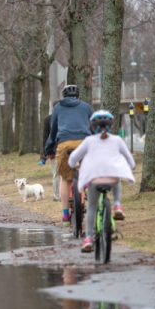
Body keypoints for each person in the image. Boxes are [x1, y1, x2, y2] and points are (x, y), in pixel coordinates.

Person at [68, 110, 135, 252]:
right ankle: (117, 205)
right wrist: (129, 168)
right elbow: (130, 160)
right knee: (116, 178)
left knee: (92, 207)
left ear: (92, 126)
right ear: (111, 125)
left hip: (95, 180)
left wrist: (74, 165)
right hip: (111, 180)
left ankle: (88, 239)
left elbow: (73, 158)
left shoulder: (89, 141)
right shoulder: (117, 140)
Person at [44, 84, 93, 227]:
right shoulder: (86, 107)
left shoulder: (58, 108)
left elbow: (53, 131)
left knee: (65, 179)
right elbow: (93, 125)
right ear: (78, 96)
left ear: (63, 96)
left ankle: (65, 214)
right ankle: (82, 205)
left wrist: (48, 149)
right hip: (83, 143)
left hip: (65, 144)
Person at [41, 106, 61, 201]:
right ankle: (58, 195)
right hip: (55, 150)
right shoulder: (49, 119)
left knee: (57, 174)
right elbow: (45, 137)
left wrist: (45, 153)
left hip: (57, 150)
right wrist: (46, 153)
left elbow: (45, 137)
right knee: (58, 173)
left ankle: (58, 195)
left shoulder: (48, 119)